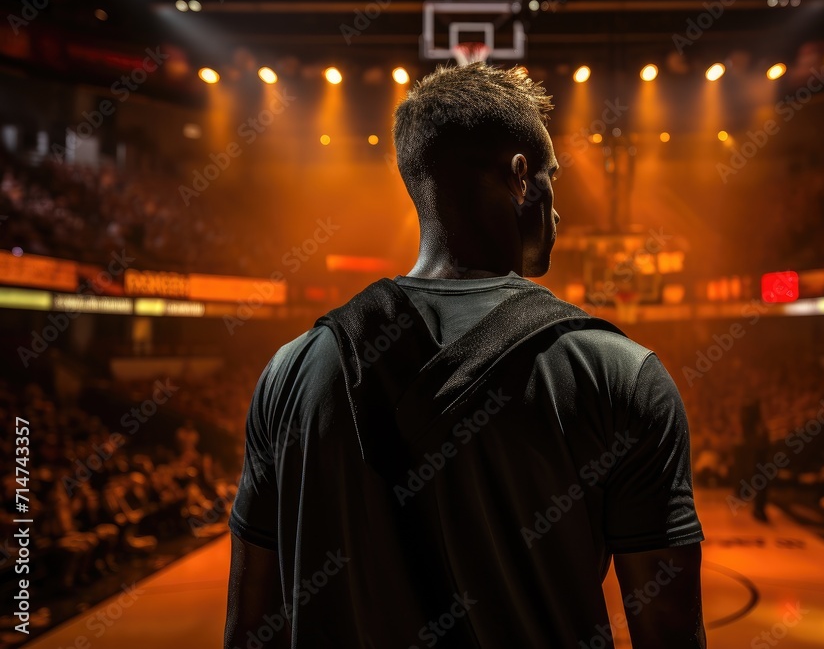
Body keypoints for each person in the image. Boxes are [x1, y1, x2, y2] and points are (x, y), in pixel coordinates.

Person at [225, 62, 706, 648]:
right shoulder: (620, 374)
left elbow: (250, 631)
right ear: (521, 176)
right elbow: (670, 633)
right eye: (554, 177)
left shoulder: (291, 370)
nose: (560, 211)